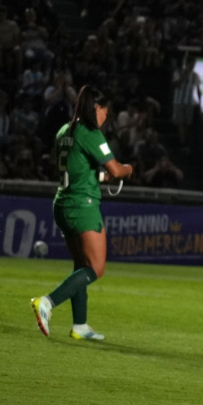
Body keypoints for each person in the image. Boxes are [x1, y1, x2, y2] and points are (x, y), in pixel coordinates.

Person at [30, 86, 134, 341]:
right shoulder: (91, 133)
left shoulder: (65, 131)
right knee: (96, 268)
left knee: (81, 265)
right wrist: (127, 169)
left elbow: (76, 169)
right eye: (104, 113)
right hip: (82, 206)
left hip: (63, 203)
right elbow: (117, 170)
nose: (105, 118)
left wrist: (100, 175)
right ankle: (47, 302)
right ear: (96, 108)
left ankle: (80, 325)